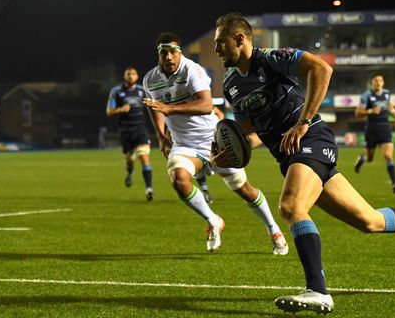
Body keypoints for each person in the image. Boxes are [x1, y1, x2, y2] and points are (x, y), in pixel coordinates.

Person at [212, 13, 395, 315]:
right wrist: (234, 150)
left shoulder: (271, 59)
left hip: (312, 140)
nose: (216, 49)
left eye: (220, 42)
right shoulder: (230, 85)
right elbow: (250, 134)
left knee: (291, 207)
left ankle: (318, 291)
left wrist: (303, 122)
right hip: (290, 155)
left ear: (239, 39)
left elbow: (321, 68)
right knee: (369, 221)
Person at [142, 32, 288, 254]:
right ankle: (213, 220)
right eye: (164, 52)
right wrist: (162, 137)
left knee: (244, 190)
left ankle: (274, 229)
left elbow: (206, 105)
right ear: (158, 54)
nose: (169, 57)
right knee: (179, 179)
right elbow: (154, 109)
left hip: (215, 140)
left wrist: (169, 108)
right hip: (184, 145)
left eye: (173, 52)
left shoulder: (192, 70)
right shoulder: (150, 79)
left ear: (179, 52)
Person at [106, 66, 155, 201]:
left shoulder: (142, 91)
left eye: (133, 74)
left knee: (144, 157)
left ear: (137, 76)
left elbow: (152, 107)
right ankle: (129, 172)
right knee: (129, 160)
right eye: (128, 74)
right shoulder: (116, 91)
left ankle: (149, 189)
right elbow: (109, 111)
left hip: (140, 130)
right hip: (125, 132)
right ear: (124, 76)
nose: (131, 76)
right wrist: (120, 109)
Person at [353, 74, 395, 194]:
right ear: (372, 83)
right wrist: (370, 111)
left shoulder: (386, 93)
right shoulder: (367, 96)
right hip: (372, 130)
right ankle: (362, 159)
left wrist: (394, 111)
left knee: (388, 156)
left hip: (385, 128)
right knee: (370, 159)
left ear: (383, 82)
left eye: (380, 80)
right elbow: (358, 112)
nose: (378, 82)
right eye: (376, 81)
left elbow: (389, 104)